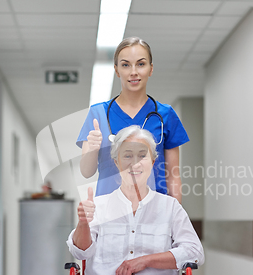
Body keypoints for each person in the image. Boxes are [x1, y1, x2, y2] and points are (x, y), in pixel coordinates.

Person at [67, 126, 204, 275]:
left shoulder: (170, 207)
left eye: (142, 155)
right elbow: (80, 251)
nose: (135, 162)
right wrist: (84, 223)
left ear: (153, 161)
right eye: (127, 155)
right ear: (116, 162)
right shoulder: (100, 205)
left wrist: (145, 260)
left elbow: (195, 253)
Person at [77, 36, 189, 202]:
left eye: (141, 64)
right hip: (110, 212)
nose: (133, 72)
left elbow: (173, 175)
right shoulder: (98, 113)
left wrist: (175, 217)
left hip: (155, 212)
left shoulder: (166, 115)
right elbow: (86, 172)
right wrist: (93, 149)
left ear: (151, 69)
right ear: (117, 70)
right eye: (125, 65)